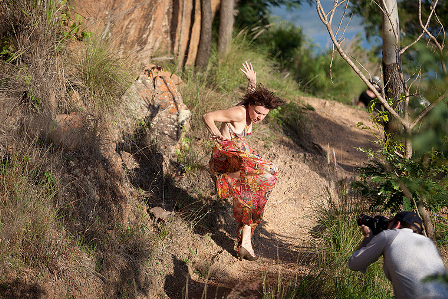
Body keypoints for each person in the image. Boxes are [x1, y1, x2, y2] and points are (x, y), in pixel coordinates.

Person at [202, 61, 285, 261]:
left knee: (254, 194)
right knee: (270, 170)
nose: (259, 118)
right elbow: (208, 116)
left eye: (264, 115)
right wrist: (215, 134)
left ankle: (245, 243)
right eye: (257, 113)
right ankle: (224, 181)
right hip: (226, 157)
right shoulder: (239, 112)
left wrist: (253, 82)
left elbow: (251, 98)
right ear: (249, 106)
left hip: (239, 158)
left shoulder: (250, 108)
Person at [348, 211, 448, 299]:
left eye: (388, 222)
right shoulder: (428, 243)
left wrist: (368, 236)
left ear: (397, 224)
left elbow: (354, 264)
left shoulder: (389, 235)